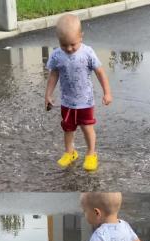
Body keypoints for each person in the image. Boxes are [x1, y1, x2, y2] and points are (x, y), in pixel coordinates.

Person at [45, 14, 112, 172]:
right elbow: (53, 75)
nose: (68, 48)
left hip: (85, 101)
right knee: (68, 128)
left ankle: (91, 153)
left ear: (80, 37)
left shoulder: (87, 53)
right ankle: (70, 152)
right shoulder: (56, 55)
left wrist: (107, 92)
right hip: (67, 101)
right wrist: (48, 94)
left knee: (87, 127)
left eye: (73, 44)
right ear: (58, 40)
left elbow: (100, 72)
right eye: (64, 44)